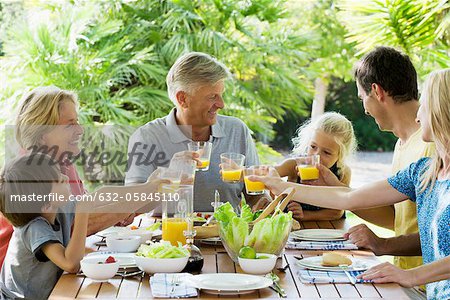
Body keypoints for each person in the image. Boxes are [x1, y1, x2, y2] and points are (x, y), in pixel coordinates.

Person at [251, 69, 450, 299]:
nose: (417, 116)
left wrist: (411, 275)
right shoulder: (423, 171)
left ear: (439, 111)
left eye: (423, 107)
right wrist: (281, 186)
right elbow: (348, 198)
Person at [0, 86, 194, 267]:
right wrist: (150, 188)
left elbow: (99, 205)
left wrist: (161, 183)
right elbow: (84, 222)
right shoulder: (29, 175)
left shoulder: (63, 166)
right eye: (70, 125)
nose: (80, 130)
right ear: (43, 132)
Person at [125, 52, 260, 211]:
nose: (221, 104)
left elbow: (255, 194)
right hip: (167, 233)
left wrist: (264, 203)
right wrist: (169, 177)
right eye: (212, 97)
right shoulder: (147, 137)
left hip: (225, 234)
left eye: (221, 95)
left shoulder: (237, 131)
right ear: (183, 99)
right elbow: (131, 205)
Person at [348, 46, 434, 272]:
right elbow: (397, 219)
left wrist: (382, 244)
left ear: (376, 91)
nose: (364, 108)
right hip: (407, 279)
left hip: (430, 286)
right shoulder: (402, 143)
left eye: (362, 97)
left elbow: (440, 232)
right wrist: (341, 192)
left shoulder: (432, 144)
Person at [275, 112, 356, 221]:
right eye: (313, 146)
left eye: (327, 152)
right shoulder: (294, 165)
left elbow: (337, 212)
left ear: (340, 155)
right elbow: (268, 174)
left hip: (327, 230)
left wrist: (305, 215)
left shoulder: (342, 172)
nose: (316, 155)